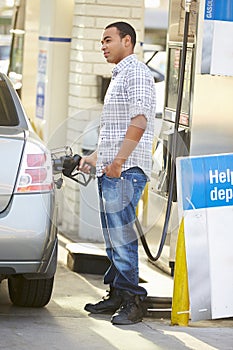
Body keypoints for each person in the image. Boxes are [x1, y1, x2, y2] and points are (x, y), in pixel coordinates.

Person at [79, 21, 156, 325]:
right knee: (113, 237)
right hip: (113, 169)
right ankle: (117, 294)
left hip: (124, 171)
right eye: (102, 41)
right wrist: (95, 159)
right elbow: (115, 132)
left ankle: (133, 300)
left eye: (108, 40)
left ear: (128, 40)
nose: (103, 46)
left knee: (122, 238)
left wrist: (118, 162)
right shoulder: (120, 74)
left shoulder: (135, 72)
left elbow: (140, 120)